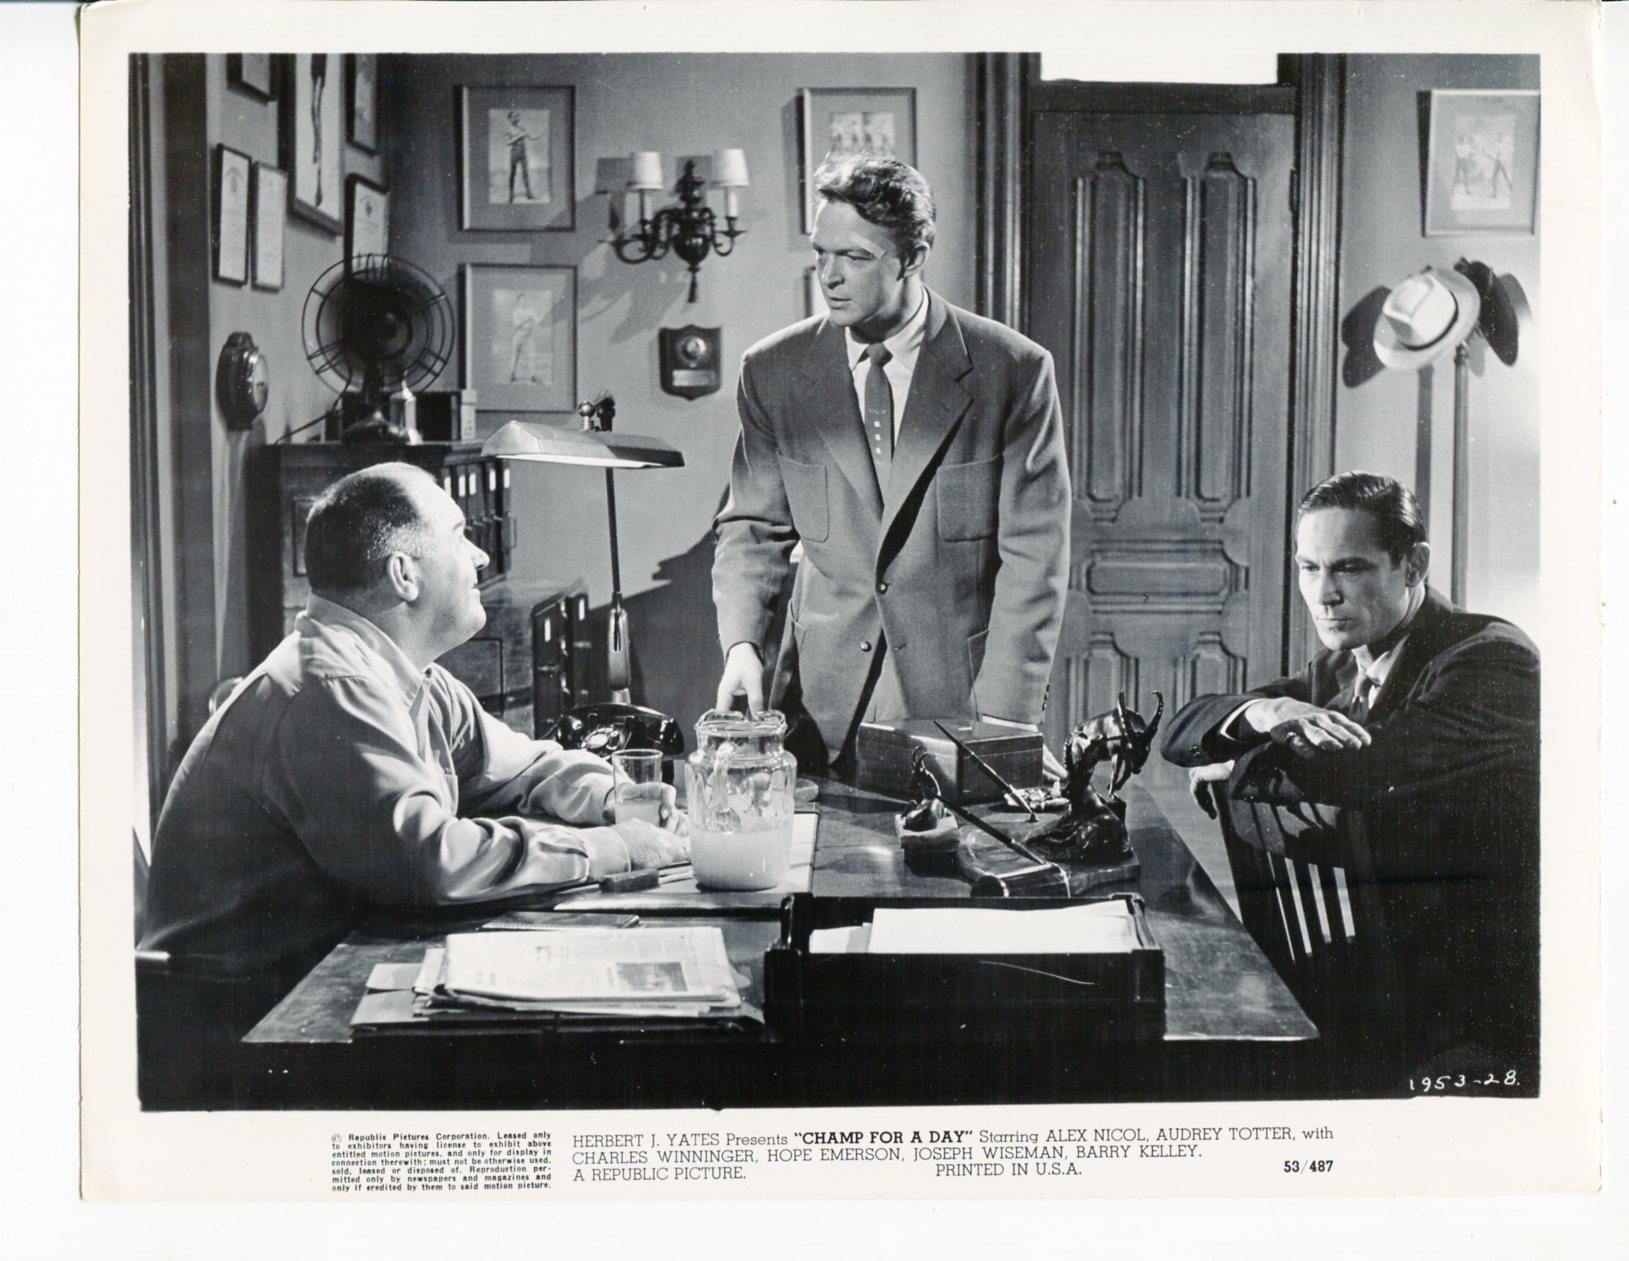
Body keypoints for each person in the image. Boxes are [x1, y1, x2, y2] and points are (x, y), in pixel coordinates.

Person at [140, 463, 687, 978]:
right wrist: (615, 847)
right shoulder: (331, 689)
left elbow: (523, 767)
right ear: (404, 574)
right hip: (244, 1010)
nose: (480, 557)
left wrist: (613, 795)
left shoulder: (401, 674)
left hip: (308, 976)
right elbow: (433, 862)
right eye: (459, 537)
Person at [1161, 471, 1539, 1077]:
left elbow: (1360, 771)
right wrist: (1268, 714)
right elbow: (1182, 732)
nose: (1324, 594)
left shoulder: (1492, 658)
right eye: (1309, 568)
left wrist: (1237, 762)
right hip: (1391, 966)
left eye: (1349, 568)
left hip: (1482, 1001)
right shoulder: (1342, 667)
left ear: (1413, 566)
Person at [712, 156, 1070, 770]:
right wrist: (742, 644)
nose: (829, 277)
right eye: (820, 254)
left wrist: (1006, 720)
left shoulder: (1012, 370)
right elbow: (751, 527)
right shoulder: (772, 371)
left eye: (854, 257)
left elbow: (1035, 557)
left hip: (958, 700)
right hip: (820, 703)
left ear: (911, 257)